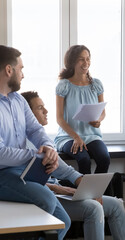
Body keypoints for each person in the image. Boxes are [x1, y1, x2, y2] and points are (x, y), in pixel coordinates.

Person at [21, 90, 125, 240]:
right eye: (40, 108)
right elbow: (22, 182)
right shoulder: (20, 144)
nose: (46, 111)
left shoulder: (43, 140)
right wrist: (62, 189)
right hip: (44, 197)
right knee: (94, 208)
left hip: (59, 192)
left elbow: (66, 172)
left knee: (115, 204)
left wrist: (91, 189)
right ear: (27, 113)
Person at [0, 45, 70, 240]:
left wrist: (49, 149)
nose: (23, 74)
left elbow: (36, 130)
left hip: (19, 172)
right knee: (46, 199)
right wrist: (37, 155)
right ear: (9, 70)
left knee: (64, 221)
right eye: (21, 68)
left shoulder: (18, 101)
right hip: (2, 173)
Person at [54, 45, 110, 174]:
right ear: (72, 62)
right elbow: (59, 119)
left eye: (88, 59)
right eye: (81, 59)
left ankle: (96, 192)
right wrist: (76, 137)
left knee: (104, 158)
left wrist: (98, 120)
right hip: (68, 137)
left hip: (92, 135)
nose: (86, 63)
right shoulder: (64, 85)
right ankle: (83, 194)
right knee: (84, 160)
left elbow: (102, 112)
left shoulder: (96, 84)